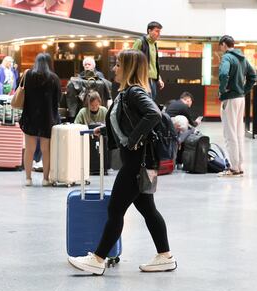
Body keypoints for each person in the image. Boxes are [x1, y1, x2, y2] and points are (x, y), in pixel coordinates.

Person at [68, 49, 176, 275]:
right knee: (148, 209)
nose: (114, 69)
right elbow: (128, 123)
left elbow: (153, 114)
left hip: (137, 163)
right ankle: (165, 256)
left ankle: (97, 260)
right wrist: (105, 129)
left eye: (118, 65)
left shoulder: (134, 92)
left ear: (128, 68)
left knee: (115, 209)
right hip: (141, 162)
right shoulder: (127, 93)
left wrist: (134, 141)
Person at [19, 53, 61, 186]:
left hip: (30, 116)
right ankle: (45, 179)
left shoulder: (28, 75)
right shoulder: (54, 78)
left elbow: (20, 91)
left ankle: (28, 178)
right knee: (46, 149)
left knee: (29, 149)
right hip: (47, 117)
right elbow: (58, 99)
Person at [218, 35, 257, 177]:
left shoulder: (227, 57)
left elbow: (223, 74)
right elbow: (253, 76)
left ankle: (234, 168)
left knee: (230, 133)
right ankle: (239, 165)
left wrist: (223, 90)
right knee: (239, 132)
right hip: (241, 99)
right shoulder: (242, 58)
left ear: (223, 44)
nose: (221, 49)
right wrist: (244, 90)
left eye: (220, 46)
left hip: (230, 99)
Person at [133, 21, 164, 100]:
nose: (159, 34)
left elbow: (154, 64)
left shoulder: (155, 44)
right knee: (145, 103)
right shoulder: (140, 42)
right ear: (149, 31)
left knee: (150, 103)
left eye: (159, 31)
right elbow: (131, 59)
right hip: (143, 78)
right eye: (157, 31)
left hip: (153, 80)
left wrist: (159, 78)